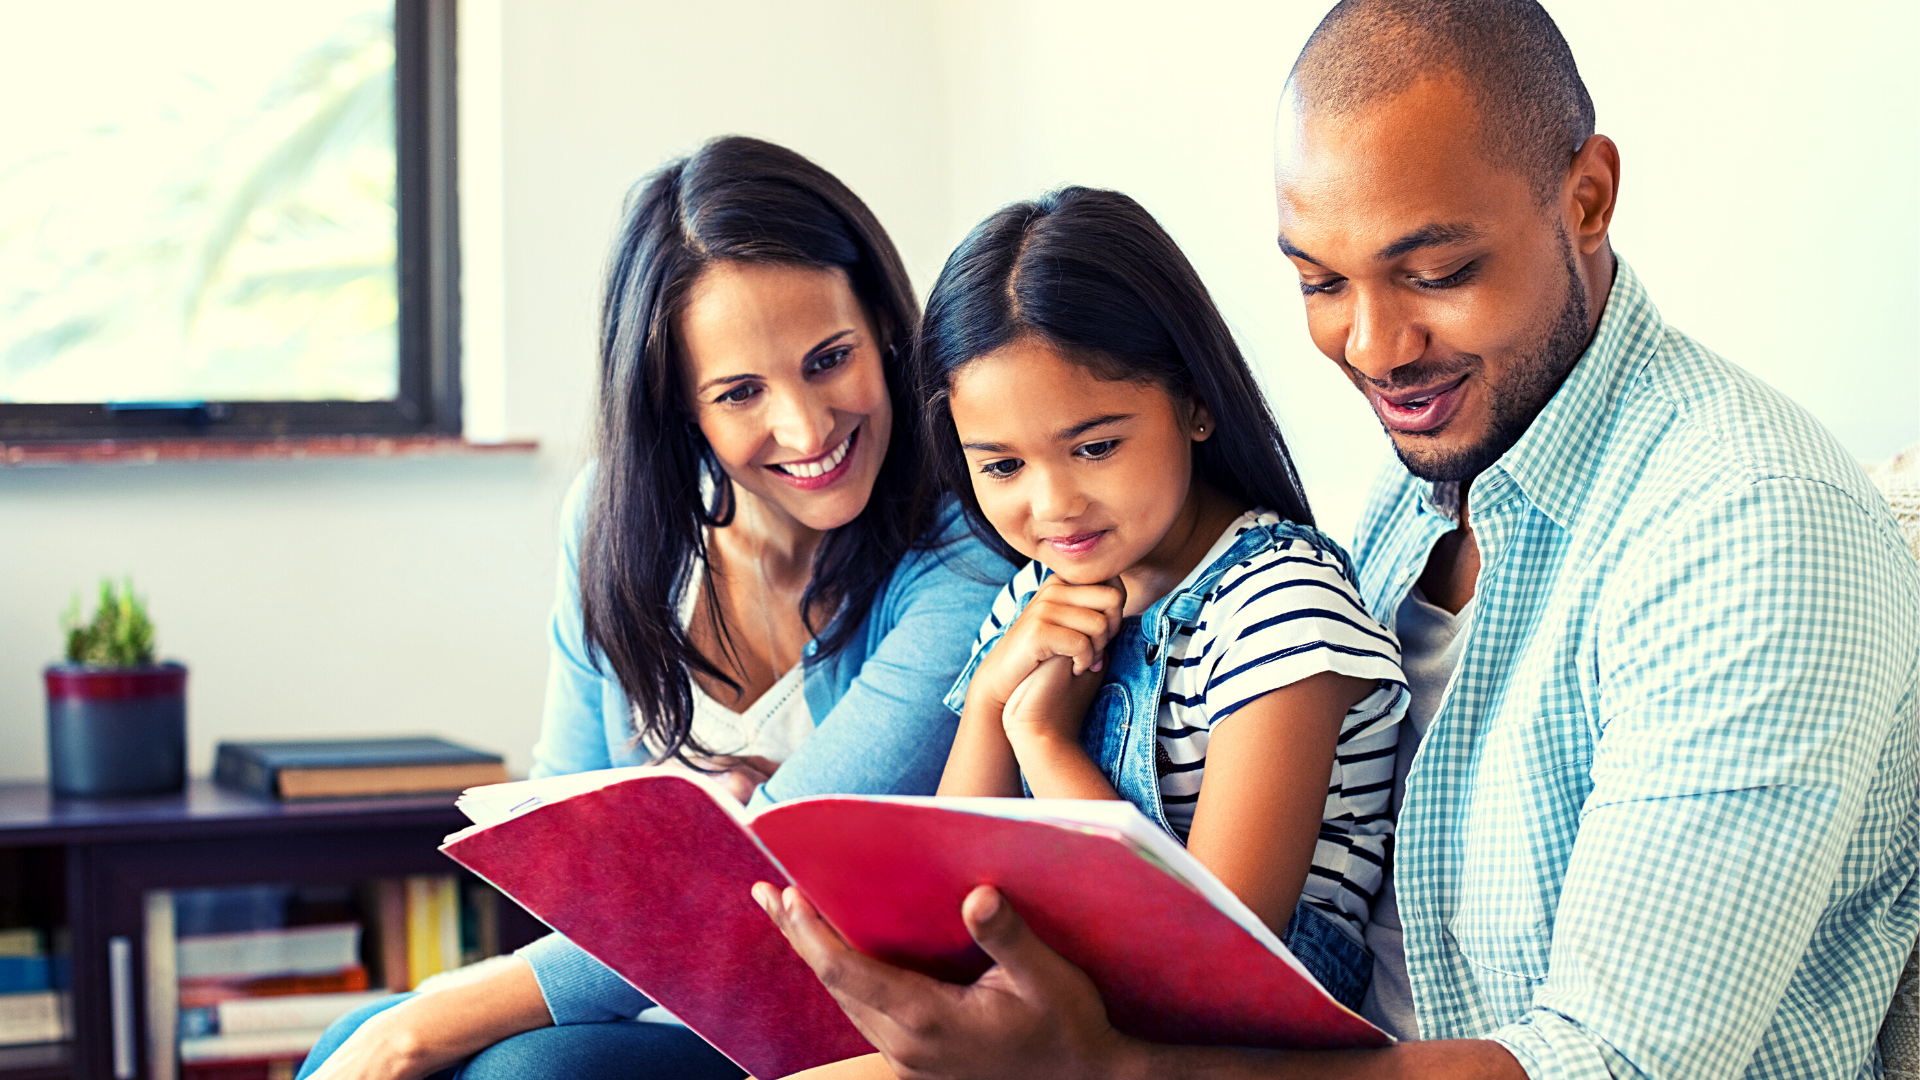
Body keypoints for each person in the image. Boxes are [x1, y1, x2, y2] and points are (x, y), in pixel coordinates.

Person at [755, 1, 1920, 1077]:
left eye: (1437, 272)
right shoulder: (1420, 490)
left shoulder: (1750, 525)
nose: (1374, 346)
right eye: (1320, 283)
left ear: (1588, 197)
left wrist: (1112, 1066)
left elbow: (1611, 1064)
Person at [298, 136, 1010, 1080]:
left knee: (484, 1064)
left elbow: (751, 890)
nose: (805, 427)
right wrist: (416, 1025)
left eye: (829, 358)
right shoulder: (612, 521)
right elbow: (567, 844)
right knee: (350, 1038)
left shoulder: (965, 555)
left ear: (884, 324)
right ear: (681, 407)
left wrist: (426, 1027)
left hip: (851, 1034)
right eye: (741, 392)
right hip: (655, 1002)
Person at [920, 186, 1409, 1009]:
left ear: (1195, 403)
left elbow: (1212, 957)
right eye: (1003, 466)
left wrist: (1040, 736)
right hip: (1076, 997)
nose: (1053, 505)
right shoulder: (1035, 601)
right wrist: (992, 698)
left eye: (1096, 446)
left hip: (1235, 1039)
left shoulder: (1279, 610)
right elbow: (946, 906)